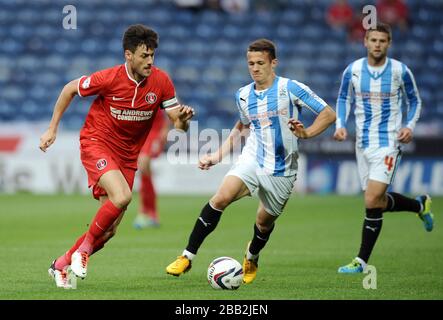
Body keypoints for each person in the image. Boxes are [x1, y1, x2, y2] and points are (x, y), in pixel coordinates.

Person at [165, 39, 336, 283]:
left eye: (260, 63)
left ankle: (252, 255)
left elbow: (328, 114)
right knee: (220, 198)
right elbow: (243, 125)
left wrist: (306, 133)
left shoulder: (291, 88)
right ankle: (187, 256)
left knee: (263, 223)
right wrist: (218, 155)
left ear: (273, 63)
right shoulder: (243, 95)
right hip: (252, 158)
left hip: (282, 168)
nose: (255, 68)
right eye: (250, 63)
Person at [40, 24, 195, 289]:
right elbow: (69, 89)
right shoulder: (109, 78)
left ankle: (59, 264)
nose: (149, 61)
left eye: (152, 56)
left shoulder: (162, 82)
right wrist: (52, 128)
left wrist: (183, 121)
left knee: (109, 231)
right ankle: (83, 251)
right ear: (128, 55)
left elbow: (177, 124)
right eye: (144, 56)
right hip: (96, 143)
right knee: (122, 197)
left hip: (127, 157)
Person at [333, 22, 433, 273]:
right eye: (373, 40)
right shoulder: (353, 70)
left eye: (382, 40)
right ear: (365, 42)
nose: (377, 44)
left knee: (370, 199)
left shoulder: (400, 71)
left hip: (388, 143)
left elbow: (414, 100)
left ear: (389, 43)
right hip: (362, 143)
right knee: (375, 201)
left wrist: (409, 125)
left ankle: (361, 262)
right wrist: (340, 124)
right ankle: (420, 206)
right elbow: (343, 98)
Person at [133, 109, 169, 229]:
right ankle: (151, 213)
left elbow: (171, 109)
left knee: (143, 165)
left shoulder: (162, 90)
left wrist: (165, 129)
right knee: (145, 171)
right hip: (141, 132)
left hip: (155, 131)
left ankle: (144, 212)